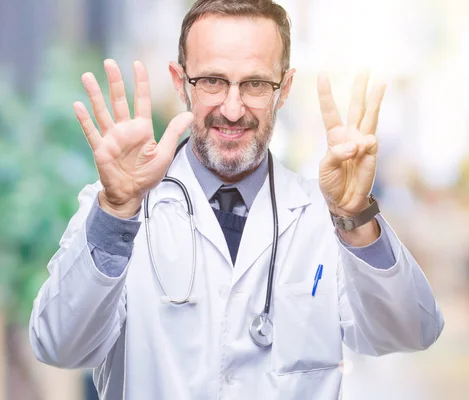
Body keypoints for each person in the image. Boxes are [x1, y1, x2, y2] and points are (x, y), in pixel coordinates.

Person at [29, 1, 444, 398]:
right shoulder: (118, 213)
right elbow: (59, 345)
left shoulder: (324, 218)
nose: (232, 108)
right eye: (211, 80)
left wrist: (356, 217)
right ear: (180, 83)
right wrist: (118, 211)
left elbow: (410, 331)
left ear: (283, 90)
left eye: (255, 84)